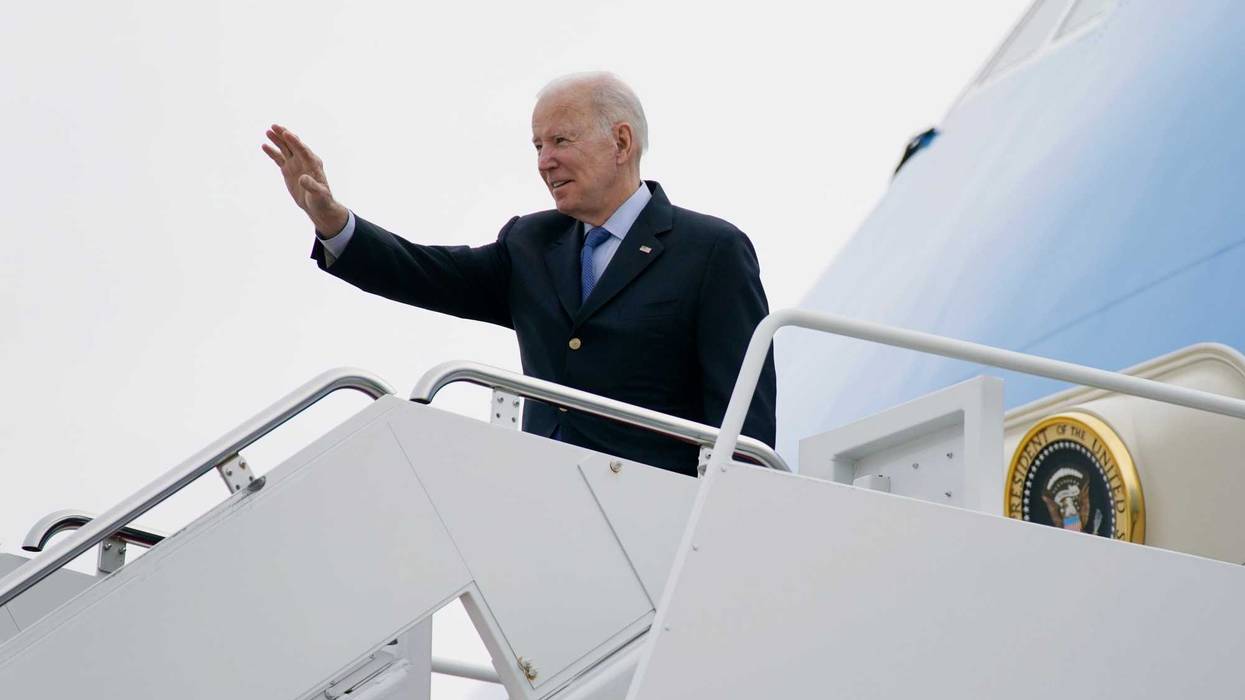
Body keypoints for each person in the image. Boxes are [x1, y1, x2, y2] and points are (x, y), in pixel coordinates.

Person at [262, 72, 775, 476]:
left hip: (658, 512)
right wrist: (332, 223)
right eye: (537, 147)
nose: (545, 162)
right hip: (540, 498)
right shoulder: (531, 244)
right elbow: (425, 272)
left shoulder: (711, 250)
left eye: (560, 141)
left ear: (621, 142)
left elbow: (743, 418)